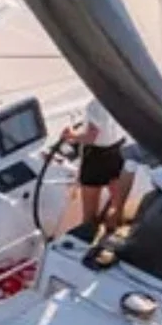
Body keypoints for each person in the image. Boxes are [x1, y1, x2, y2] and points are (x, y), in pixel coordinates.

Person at [64, 96, 134, 242]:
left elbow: (91, 137)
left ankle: (88, 240)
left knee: (89, 213)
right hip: (117, 151)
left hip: (96, 158)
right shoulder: (122, 99)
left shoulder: (94, 106)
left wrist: (71, 135)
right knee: (117, 204)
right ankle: (113, 234)